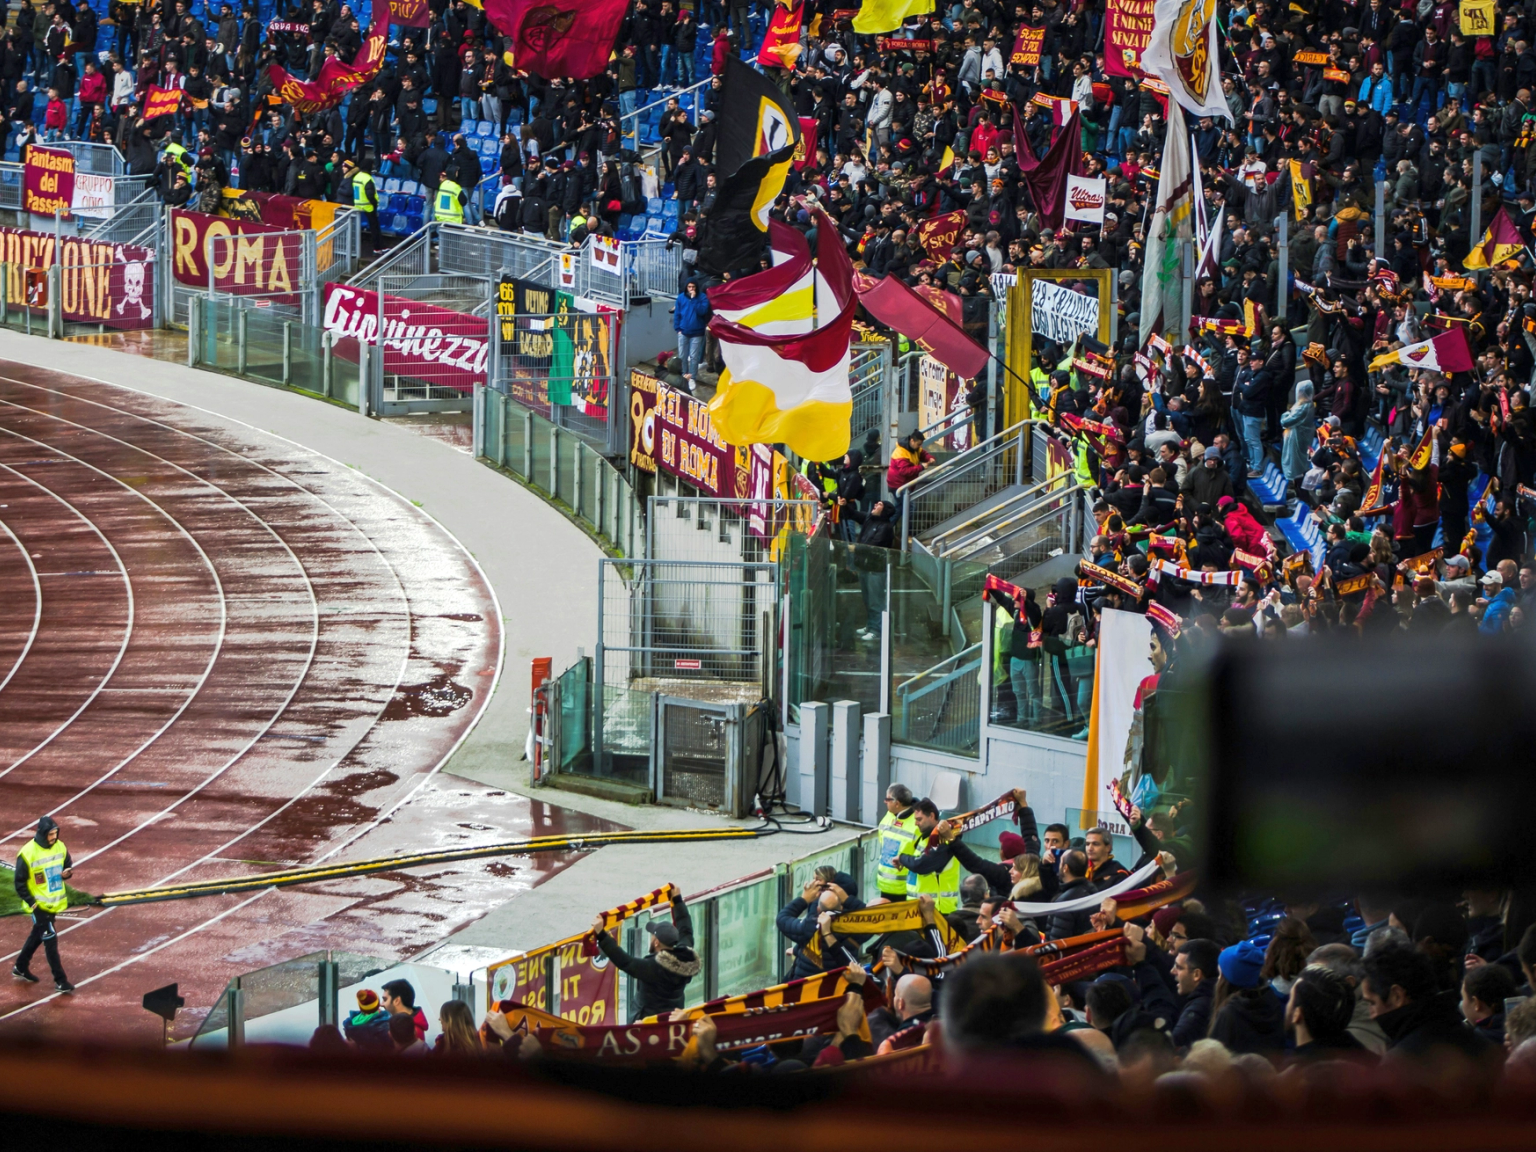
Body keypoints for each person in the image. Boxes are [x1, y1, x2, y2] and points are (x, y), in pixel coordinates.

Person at [593, 888, 699, 1021]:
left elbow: (625, 962)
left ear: (656, 943)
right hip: (673, 1020)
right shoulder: (686, 957)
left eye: (652, 935)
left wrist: (601, 935)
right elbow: (686, 929)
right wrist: (677, 900)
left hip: (647, 1023)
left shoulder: (653, 967)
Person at [12, 816, 74, 993]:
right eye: (51, 834)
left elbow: (67, 864)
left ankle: (20, 966)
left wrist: (67, 873)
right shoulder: (27, 853)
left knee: (37, 936)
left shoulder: (60, 846)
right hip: (39, 906)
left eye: (55, 833)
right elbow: (19, 883)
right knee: (50, 941)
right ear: (42, 834)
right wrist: (32, 903)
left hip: (53, 903)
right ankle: (60, 980)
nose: (54, 837)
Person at [893, 797, 964, 913]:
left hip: (939, 910)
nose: (916, 823)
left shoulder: (944, 841)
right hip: (921, 909)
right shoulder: (924, 838)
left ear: (931, 816)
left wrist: (902, 858)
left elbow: (922, 865)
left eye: (919, 819)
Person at [873, 782, 918, 901]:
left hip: (904, 889)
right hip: (885, 885)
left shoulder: (917, 823)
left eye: (887, 799)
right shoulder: (890, 815)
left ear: (897, 803)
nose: (884, 802)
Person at [672, 279, 710, 390]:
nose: (691, 289)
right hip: (683, 331)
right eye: (689, 287)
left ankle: (692, 377)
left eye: (693, 287)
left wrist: (694, 300)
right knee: (682, 355)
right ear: (686, 287)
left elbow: (702, 311)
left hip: (697, 332)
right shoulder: (681, 298)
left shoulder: (702, 297)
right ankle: (684, 375)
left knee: (694, 357)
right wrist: (677, 328)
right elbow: (677, 314)